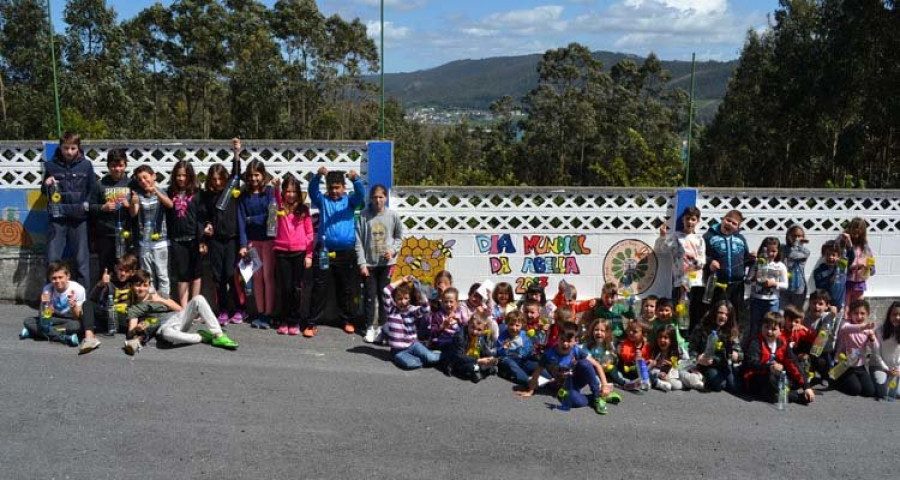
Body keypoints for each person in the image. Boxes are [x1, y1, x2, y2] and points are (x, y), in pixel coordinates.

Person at [306, 167, 365, 337]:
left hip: (345, 252)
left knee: (345, 288)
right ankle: (311, 323)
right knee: (319, 287)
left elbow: (361, 195)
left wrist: (356, 180)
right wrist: (317, 176)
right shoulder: (322, 201)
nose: (334, 191)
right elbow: (312, 191)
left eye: (337, 187)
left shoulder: (350, 201)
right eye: (331, 187)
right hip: (324, 251)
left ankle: (346, 320)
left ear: (344, 188)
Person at [516, 322, 614, 415]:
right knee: (574, 401)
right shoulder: (549, 354)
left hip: (576, 379)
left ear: (575, 341)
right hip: (563, 387)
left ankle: (597, 395)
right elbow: (537, 371)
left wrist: (604, 385)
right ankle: (598, 397)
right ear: (558, 338)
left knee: (585, 363)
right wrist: (530, 391)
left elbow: (597, 365)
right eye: (562, 340)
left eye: (569, 341)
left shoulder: (576, 350)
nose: (565, 344)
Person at [43, 131, 96, 287]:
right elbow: (43, 191)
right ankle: (50, 298)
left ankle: (83, 301)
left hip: (79, 219)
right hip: (57, 219)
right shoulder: (50, 165)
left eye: (73, 148)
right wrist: (47, 184)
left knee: (82, 261)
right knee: (52, 259)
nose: (69, 152)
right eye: (66, 148)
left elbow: (92, 189)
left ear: (78, 148)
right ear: (60, 147)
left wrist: (85, 205)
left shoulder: (86, 165)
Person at [356, 184, 403, 343]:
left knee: (385, 296)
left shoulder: (393, 216)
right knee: (369, 296)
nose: (378, 200)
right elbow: (358, 242)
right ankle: (370, 326)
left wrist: (393, 250)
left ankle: (384, 327)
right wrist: (362, 264)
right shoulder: (363, 216)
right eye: (375, 197)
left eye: (381, 197)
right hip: (369, 264)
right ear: (370, 198)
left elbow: (399, 238)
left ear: (386, 197)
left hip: (387, 264)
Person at [200, 155, 242, 325]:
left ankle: (239, 309)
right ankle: (223, 310)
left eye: (220, 179)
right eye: (214, 179)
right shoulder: (207, 196)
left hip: (232, 240)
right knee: (218, 277)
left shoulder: (231, 191)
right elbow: (205, 216)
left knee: (232, 275)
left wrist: (236, 153)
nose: (217, 182)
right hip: (215, 241)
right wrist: (207, 226)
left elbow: (237, 173)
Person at [238, 159, 277, 329]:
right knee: (257, 278)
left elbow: (272, 217)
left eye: (257, 175)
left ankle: (269, 313)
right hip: (252, 243)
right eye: (251, 175)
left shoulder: (269, 192)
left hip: (268, 240)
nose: (253, 178)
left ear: (263, 175)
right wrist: (243, 244)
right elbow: (241, 221)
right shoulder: (243, 195)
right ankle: (260, 312)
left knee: (268, 277)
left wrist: (252, 219)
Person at [272, 174, 314, 336]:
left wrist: (309, 255)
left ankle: (294, 321)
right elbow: (274, 197)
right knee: (285, 288)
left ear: (298, 192)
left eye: (293, 191)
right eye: (287, 191)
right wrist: (276, 187)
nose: (290, 194)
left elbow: (310, 233)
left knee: (297, 288)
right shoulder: (279, 207)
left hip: (299, 252)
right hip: (282, 252)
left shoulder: (303, 210)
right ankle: (284, 320)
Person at [743, 312, 815, 404]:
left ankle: (785, 390)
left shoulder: (783, 343)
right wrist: (769, 367)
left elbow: (793, 364)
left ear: (780, 330)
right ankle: (794, 396)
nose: (769, 331)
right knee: (770, 382)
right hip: (757, 377)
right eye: (766, 327)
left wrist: (806, 387)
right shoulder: (756, 342)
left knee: (796, 370)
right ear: (761, 327)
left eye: (773, 329)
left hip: (776, 375)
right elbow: (751, 363)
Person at [657, 206, 706, 331]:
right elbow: (663, 249)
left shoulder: (700, 239)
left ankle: (692, 343)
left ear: (697, 221)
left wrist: (693, 261)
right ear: (683, 220)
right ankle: (680, 341)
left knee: (695, 314)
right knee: (680, 313)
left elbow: (702, 261)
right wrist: (663, 236)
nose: (690, 222)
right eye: (687, 219)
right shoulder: (676, 237)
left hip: (696, 283)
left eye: (693, 219)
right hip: (680, 283)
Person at [702, 209, 753, 324]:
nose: (729, 224)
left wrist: (751, 258)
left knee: (735, 315)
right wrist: (710, 263)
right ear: (722, 219)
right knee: (715, 314)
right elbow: (701, 257)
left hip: (737, 286)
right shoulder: (708, 237)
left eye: (734, 223)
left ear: (738, 227)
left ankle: (733, 339)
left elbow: (745, 260)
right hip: (717, 285)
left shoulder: (741, 239)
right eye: (728, 220)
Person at [165, 160, 203, 307]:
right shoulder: (169, 192)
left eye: (185, 176)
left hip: (194, 238)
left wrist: (202, 239)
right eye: (178, 175)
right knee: (182, 275)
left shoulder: (197, 193)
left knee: (196, 274)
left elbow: (202, 216)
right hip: (177, 239)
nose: (181, 179)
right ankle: (184, 308)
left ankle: (195, 306)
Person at [90, 148, 132, 281]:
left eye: (120, 165)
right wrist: (103, 207)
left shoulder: (132, 184)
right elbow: (89, 206)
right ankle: (104, 298)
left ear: (125, 165)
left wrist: (129, 205)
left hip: (126, 235)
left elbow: (139, 208)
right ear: (108, 166)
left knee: (125, 269)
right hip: (105, 235)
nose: (117, 169)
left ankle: (126, 297)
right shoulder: (99, 185)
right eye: (113, 166)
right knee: (105, 269)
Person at [21, 262, 85, 348]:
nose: (57, 281)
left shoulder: (78, 289)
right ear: (50, 279)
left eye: (60, 277)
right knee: (28, 321)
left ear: (68, 276)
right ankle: (65, 337)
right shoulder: (48, 289)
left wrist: (73, 306)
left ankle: (35, 333)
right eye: (54, 278)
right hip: (54, 318)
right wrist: (43, 304)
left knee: (76, 326)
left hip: (70, 319)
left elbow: (78, 316)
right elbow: (44, 317)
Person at [130, 165, 171, 297]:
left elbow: (170, 204)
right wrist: (133, 203)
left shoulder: (161, 191)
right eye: (140, 179)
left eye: (145, 177)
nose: (143, 181)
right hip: (145, 242)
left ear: (153, 176)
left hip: (161, 241)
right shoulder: (137, 194)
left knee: (162, 274)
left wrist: (156, 192)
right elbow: (133, 213)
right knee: (147, 274)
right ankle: (151, 301)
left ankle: (164, 302)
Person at [82, 253, 139, 346]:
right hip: (109, 315)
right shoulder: (109, 280)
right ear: (116, 268)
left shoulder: (135, 282)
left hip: (126, 318)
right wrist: (101, 285)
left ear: (132, 272)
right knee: (87, 304)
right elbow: (92, 299)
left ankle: (134, 338)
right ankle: (89, 337)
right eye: (120, 270)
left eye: (127, 271)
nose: (123, 273)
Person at [384, 276, 437, 370]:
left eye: (406, 298)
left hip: (413, 345)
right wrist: (402, 280)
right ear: (395, 300)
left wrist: (421, 292)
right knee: (412, 364)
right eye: (399, 299)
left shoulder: (412, 310)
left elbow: (426, 309)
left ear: (410, 299)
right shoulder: (391, 310)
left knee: (432, 358)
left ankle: (444, 357)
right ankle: (410, 357)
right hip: (398, 350)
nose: (403, 302)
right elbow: (386, 290)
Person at [122, 270, 180, 355]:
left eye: (145, 285)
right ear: (132, 286)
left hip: (174, 319)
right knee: (150, 322)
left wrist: (160, 300)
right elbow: (131, 331)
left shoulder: (158, 294)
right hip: (160, 328)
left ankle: (137, 341)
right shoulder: (134, 308)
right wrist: (137, 329)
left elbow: (180, 309)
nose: (141, 289)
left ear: (149, 286)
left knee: (155, 320)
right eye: (138, 285)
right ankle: (136, 341)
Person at [688, 300, 741, 392]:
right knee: (719, 386)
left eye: (726, 314)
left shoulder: (731, 330)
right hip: (708, 364)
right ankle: (703, 375)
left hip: (724, 364)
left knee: (734, 387)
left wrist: (737, 354)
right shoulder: (703, 326)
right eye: (720, 313)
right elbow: (691, 346)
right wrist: (697, 358)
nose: (723, 316)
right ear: (715, 313)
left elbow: (739, 351)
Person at [157, 295, 239, 350]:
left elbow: (179, 308)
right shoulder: (143, 306)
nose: (146, 288)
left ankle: (218, 335)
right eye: (145, 285)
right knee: (166, 332)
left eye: (148, 285)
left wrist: (159, 299)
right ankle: (201, 337)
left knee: (198, 298)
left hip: (176, 318)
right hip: (163, 328)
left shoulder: (155, 294)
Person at [833, 299, 878, 397]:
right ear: (850, 314)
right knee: (855, 390)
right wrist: (863, 327)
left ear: (867, 314)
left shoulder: (869, 330)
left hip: (859, 365)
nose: (859, 316)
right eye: (855, 313)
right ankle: (836, 379)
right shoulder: (845, 324)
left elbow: (875, 348)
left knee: (869, 392)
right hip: (844, 364)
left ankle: (852, 379)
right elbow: (847, 328)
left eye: (862, 313)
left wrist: (872, 338)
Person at [747, 237, 788, 341]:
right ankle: (753, 348)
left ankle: (769, 348)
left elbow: (786, 285)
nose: (770, 254)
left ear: (778, 251)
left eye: (773, 251)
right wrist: (754, 277)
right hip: (756, 299)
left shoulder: (780, 266)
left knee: (771, 326)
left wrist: (774, 283)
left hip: (772, 301)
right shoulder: (757, 263)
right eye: (768, 251)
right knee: (755, 326)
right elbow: (748, 280)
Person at [439, 312, 498, 383]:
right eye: (472, 327)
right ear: (468, 324)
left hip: (471, 359)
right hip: (457, 361)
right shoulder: (460, 336)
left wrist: (491, 358)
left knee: (491, 363)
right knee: (474, 367)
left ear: (483, 330)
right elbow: (459, 356)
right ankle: (481, 372)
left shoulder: (479, 338)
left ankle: (481, 371)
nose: (475, 331)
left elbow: (485, 351)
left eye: (479, 330)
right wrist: (479, 361)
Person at [582, 318, 626, 393]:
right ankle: (599, 386)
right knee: (593, 375)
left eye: (602, 331)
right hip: (594, 368)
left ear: (607, 333)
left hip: (605, 367)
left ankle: (624, 382)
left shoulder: (609, 344)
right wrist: (599, 365)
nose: (599, 333)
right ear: (592, 331)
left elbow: (613, 356)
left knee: (613, 369)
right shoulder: (587, 345)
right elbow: (588, 359)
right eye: (596, 330)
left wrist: (610, 360)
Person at [839, 217, 875, 307]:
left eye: (860, 229)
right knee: (845, 310)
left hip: (859, 284)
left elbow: (873, 269)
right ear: (850, 229)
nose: (857, 231)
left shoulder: (866, 248)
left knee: (857, 309)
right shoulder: (843, 246)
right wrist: (851, 268)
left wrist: (867, 268)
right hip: (846, 283)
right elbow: (840, 266)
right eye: (854, 228)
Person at [496, 311, 538, 387]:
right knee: (508, 362)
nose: (514, 328)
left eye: (517, 325)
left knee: (536, 365)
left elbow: (528, 353)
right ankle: (528, 381)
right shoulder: (503, 336)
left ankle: (550, 379)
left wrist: (532, 349)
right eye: (511, 324)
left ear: (522, 326)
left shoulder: (524, 335)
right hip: (509, 361)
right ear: (507, 324)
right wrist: (504, 348)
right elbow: (498, 352)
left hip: (521, 360)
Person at [650, 325, 694, 391]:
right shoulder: (657, 352)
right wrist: (655, 366)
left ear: (671, 340)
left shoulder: (677, 349)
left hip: (680, 372)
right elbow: (654, 368)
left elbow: (688, 363)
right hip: (668, 376)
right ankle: (660, 383)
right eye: (660, 337)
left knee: (683, 375)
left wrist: (672, 364)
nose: (662, 340)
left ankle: (693, 381)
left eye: (665, 338)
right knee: (673, 384)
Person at [870, 301, 900, 399]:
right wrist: (886, 369)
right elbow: (876, 354)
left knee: (897, 393)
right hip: (879, 366)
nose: (897, 317)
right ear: (889, 315)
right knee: (882, 393)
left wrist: (898, 369)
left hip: (896, 369)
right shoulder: (879, 331)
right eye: (894, 314)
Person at [781, 225, 810, 310]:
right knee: (783, 312)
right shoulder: (783, 248)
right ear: (788, 236)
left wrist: (799, 244)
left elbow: (794, 255)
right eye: (794, 236)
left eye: (799, 236)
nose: (796, 238)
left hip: (799, 287)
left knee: (796, 312)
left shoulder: (804, 251)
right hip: (785, 286)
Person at [617, 319, 652, 390]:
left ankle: (642, 382)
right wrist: (634, 356)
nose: (630, 333)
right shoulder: (627, 343)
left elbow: (647, 357)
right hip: (628, 368)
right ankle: (637, 382)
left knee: (650, 366)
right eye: (629, 330)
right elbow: (624, 355)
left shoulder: (646, 345)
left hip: (640, 369)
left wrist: (648, 361)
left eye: (634, 332)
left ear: (643, 334)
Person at [813, 240, 847, 312]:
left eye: (833, 255)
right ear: (824, 255)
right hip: (826, 307)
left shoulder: (842, 269)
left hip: (841, 305)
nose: (831, 257)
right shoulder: (819, 271)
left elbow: (850, 256)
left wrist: (849, 244)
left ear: (838, 257)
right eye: (828, 254)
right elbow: (820, 289)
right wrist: (830, 280)